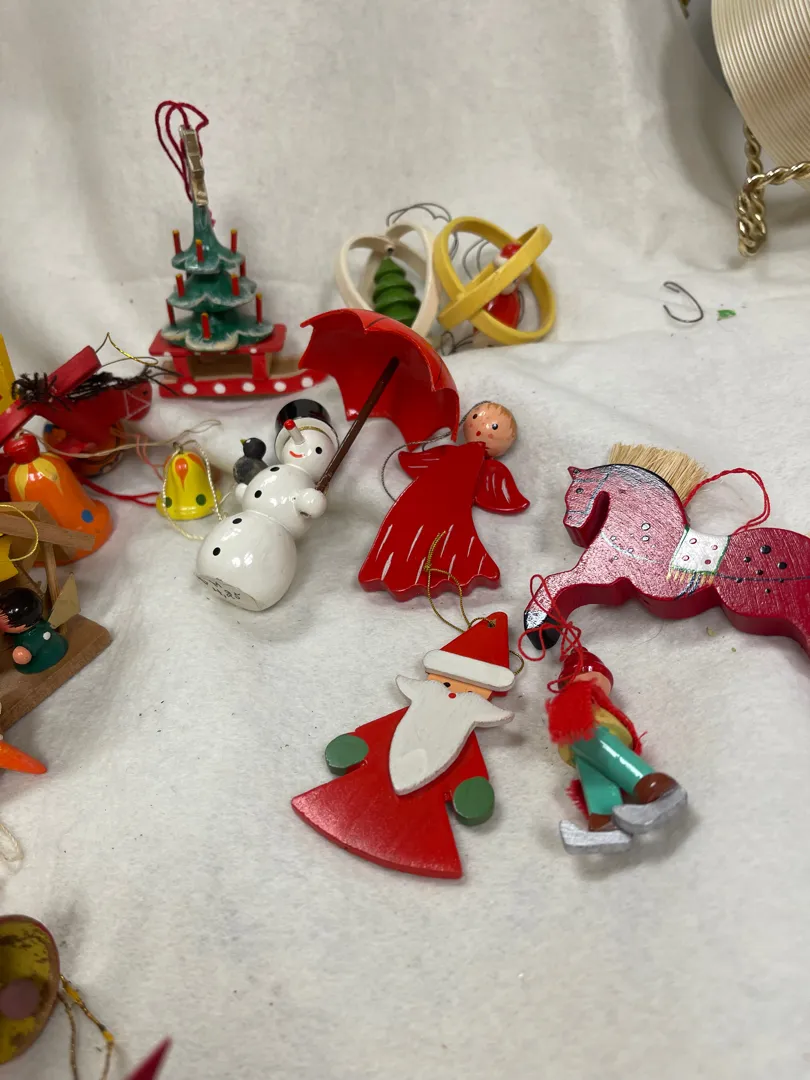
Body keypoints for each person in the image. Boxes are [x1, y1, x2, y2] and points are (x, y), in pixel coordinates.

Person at [547, 648, 687, 854]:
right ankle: (605, 821)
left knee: (597, 748)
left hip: (594, 733)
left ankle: (653, 785)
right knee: (593, 775)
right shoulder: (576, 701)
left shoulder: (586, 701)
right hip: (577, 748)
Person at [0, 588, 68, 674]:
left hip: (45, 656)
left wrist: (24, 653)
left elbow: (31, 647)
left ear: (21, 625)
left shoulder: (38, 633)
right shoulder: (20, 630)